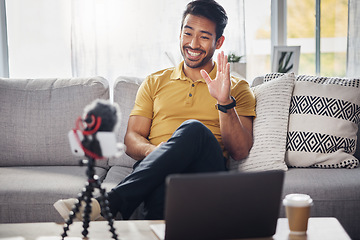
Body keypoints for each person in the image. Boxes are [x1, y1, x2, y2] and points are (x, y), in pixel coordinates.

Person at [54, 0, 256, 221]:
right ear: (180, 34)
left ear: (219, 42)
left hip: (206, 172)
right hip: (157, 172)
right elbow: (132, 139)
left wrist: (225, 101)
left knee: (194, 130)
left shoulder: (236, 87)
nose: (193, 43)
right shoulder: (154, 82)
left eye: (204, 37)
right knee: (159, 212)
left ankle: (108, 204)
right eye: (188, 33)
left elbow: (239, 151)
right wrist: (156, 152)